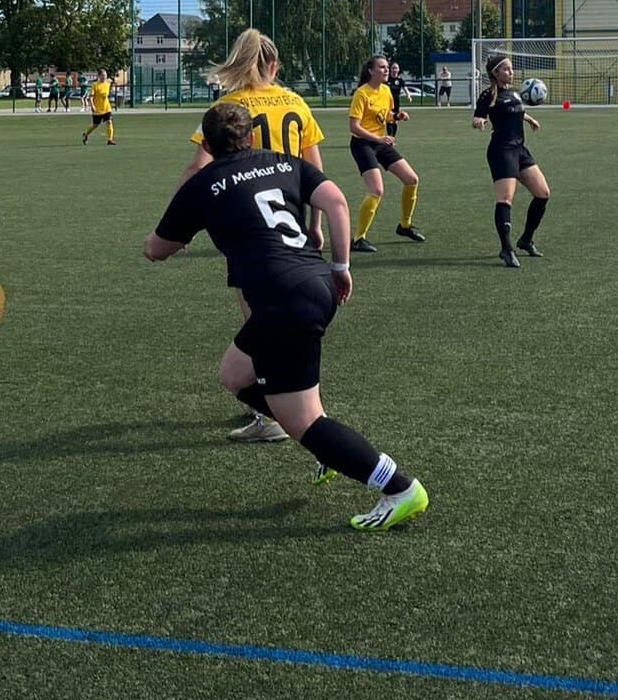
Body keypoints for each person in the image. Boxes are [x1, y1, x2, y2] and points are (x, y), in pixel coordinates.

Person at [144, 102, 429, 533]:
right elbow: (336, 200)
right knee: (235, 375)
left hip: (284, 300)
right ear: (250, 137)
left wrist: (161, 238)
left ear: (208, 145)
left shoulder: (203, 184)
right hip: (316, 282)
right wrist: (341, 266)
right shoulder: (283, 162)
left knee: (305, 421)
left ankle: (399, 488)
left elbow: (156, 250)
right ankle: (325, 444)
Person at [177, 27, 329, 443]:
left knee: (259, 324)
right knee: (284, 325)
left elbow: (197, 168)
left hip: (248, 228)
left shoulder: (228, 107)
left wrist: (181, 224)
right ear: (274, 65)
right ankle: (297, 406)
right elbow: (315, 169)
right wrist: (316, 225)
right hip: (292, 224)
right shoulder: (296, 102)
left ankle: (276, 416)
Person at [473, 52, 550, 268]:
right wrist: (479, 122)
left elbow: (516, 111)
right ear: (495, 73)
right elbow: (477, 117)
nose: (511, 72)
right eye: (506, 69)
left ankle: (526, 240)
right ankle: (506, 249)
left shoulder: (516, 92)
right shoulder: (488, 95)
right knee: (505, 199)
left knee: (543, 194)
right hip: (501, 150)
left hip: (520, 150)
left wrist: (530, 119)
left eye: (511, 68)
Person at [348, 54, 425, 252]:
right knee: (377, 190)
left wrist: (397, 116)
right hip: (362, 144)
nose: (386, 70)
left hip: (380, 143)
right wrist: (378, 138)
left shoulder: (386, 90)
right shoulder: (362, 93)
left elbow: (385, 115)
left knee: (411, 180)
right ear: (371, 71)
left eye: (387, 67)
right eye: (382, 67)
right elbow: (354, 127)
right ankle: (358, 239)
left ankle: (405, 226)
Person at [81, 69, 116, 145]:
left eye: (105, 75)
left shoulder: (107, 83)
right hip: (97, 109)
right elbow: (91, 97)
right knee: (95, 125)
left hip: (106, 107)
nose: (104, 77)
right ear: (99, 76)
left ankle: (110, 140)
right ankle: (85, 134)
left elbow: (112, 81)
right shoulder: (95, 85)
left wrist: (112, 82)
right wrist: (92, 105)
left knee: (109, 122)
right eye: (103, 75)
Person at [386, 62, 407, 139]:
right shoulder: (387, 79)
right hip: (387, 102)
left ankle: (392, 138)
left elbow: (405, 88)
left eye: (396, 68)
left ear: (398, 69)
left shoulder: (400, 80)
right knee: (389, 119)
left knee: (395, 120)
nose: (395, 69)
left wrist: (408, 95)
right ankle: (390, 137)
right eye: (393, 68)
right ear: (390, 69)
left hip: (396, 102)